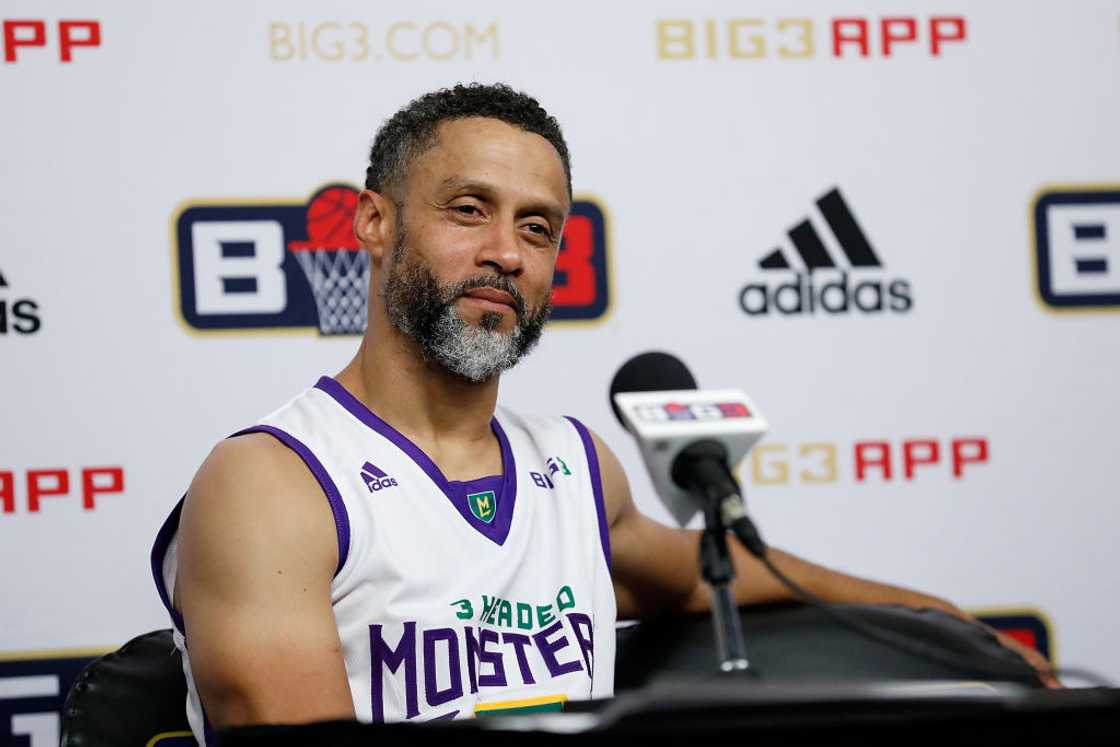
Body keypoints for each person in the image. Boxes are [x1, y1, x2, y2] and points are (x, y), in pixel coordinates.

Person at [151, 83, 1053, 738]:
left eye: (538, 228)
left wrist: (934, 616)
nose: (506, 251)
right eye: (470, 210)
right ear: (376, 223)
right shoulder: (270, 483)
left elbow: (714, 574)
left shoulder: (575, 466)